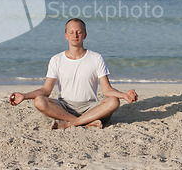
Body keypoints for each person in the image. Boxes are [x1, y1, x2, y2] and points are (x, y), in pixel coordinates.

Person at [9, 18, 138, 129]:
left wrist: (124, 95)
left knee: (114, 102)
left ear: (85, 35)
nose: (75, 35)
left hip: (91, 107)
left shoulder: (96, 58)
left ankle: (70, 124)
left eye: (79, 32)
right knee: (39, 101)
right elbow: (46, 90)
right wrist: (24, 96)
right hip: (64, 106)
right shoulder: (56, 59)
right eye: (71, 32)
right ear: (66, 35)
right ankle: (86, 122)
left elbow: (107, 90)